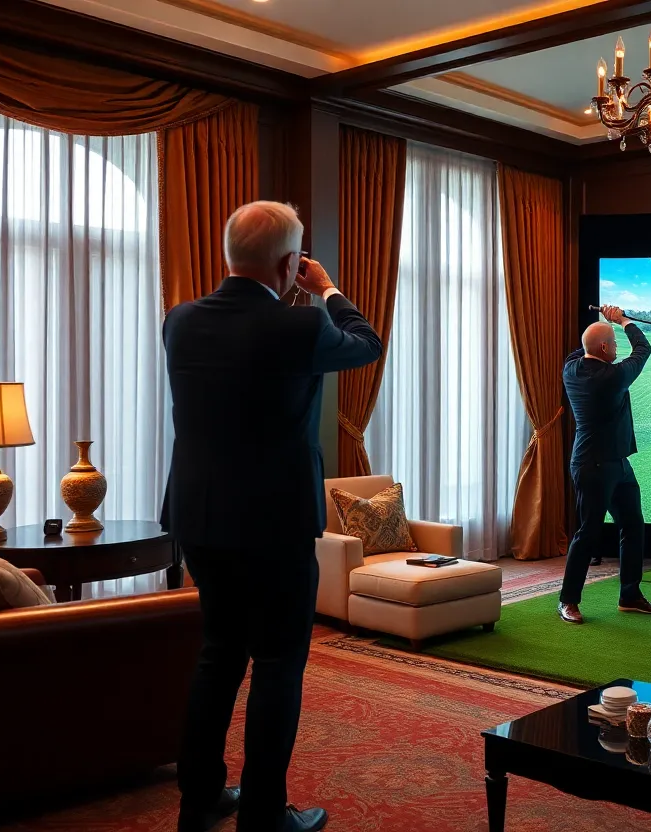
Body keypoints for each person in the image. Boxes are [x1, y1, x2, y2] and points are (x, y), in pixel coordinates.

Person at [164, 201, 382, 832]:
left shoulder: (179, 321)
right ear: (292, 264)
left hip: (199, 517)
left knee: (218, 653)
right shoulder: (303, 327)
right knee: (279, 663)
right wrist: (329, 289)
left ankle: (199, 798)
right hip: (276, 524)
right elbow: (367, 345)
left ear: (227, 253)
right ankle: (262, 815)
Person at [558, 304, 651, 624]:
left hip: (617, 463)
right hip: (594, 466)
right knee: (588, 533)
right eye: (613, 344)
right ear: (604, 349)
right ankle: (568, 601)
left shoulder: (571, 367)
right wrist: (621, 320)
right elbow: (643, 348)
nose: (618, 349)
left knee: (633, 525)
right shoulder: (612, 377)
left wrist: (604, 324)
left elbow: (585, 346)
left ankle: (630, 595)